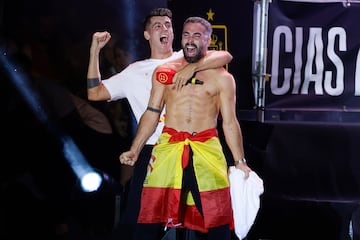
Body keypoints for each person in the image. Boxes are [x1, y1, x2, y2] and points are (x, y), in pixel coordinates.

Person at [86, 7, 233, 238]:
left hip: (193, 147)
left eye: (168, 25)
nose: (164, 29)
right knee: (140, 218)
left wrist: (194, 66)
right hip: (153, 149)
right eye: (157, 26)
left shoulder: (186, 57)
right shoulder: (134, 72)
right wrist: (95, 50)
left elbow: (224, 56)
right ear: (147, 35)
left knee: (210, 217)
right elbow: (94, 93)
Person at [120, 16, 252, 240]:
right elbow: (152, 112)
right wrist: (136, 147)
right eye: (186, 35)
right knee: (150, 218)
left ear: (209, 40)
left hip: (206, 151)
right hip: (169, 149)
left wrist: (240, 162)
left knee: (217, 220)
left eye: (197, 35)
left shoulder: (222, 77)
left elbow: (230, 122)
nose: (190, 40)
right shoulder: (165, 71)